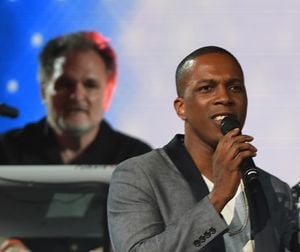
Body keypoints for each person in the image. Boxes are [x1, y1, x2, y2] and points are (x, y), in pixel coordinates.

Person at [107, 46, 298, 251]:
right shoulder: (139, 176)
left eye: (235, 87)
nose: (224, 97)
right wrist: (218, 197)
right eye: (207, 88)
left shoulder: (273, 188)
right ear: (181, 108)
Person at [0, 31, 152, 252]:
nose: (77, 94)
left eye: (90, 85)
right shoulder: (6, 150)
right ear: (44, 90)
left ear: (108, 93)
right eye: (65, 84)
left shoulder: (138, 159)